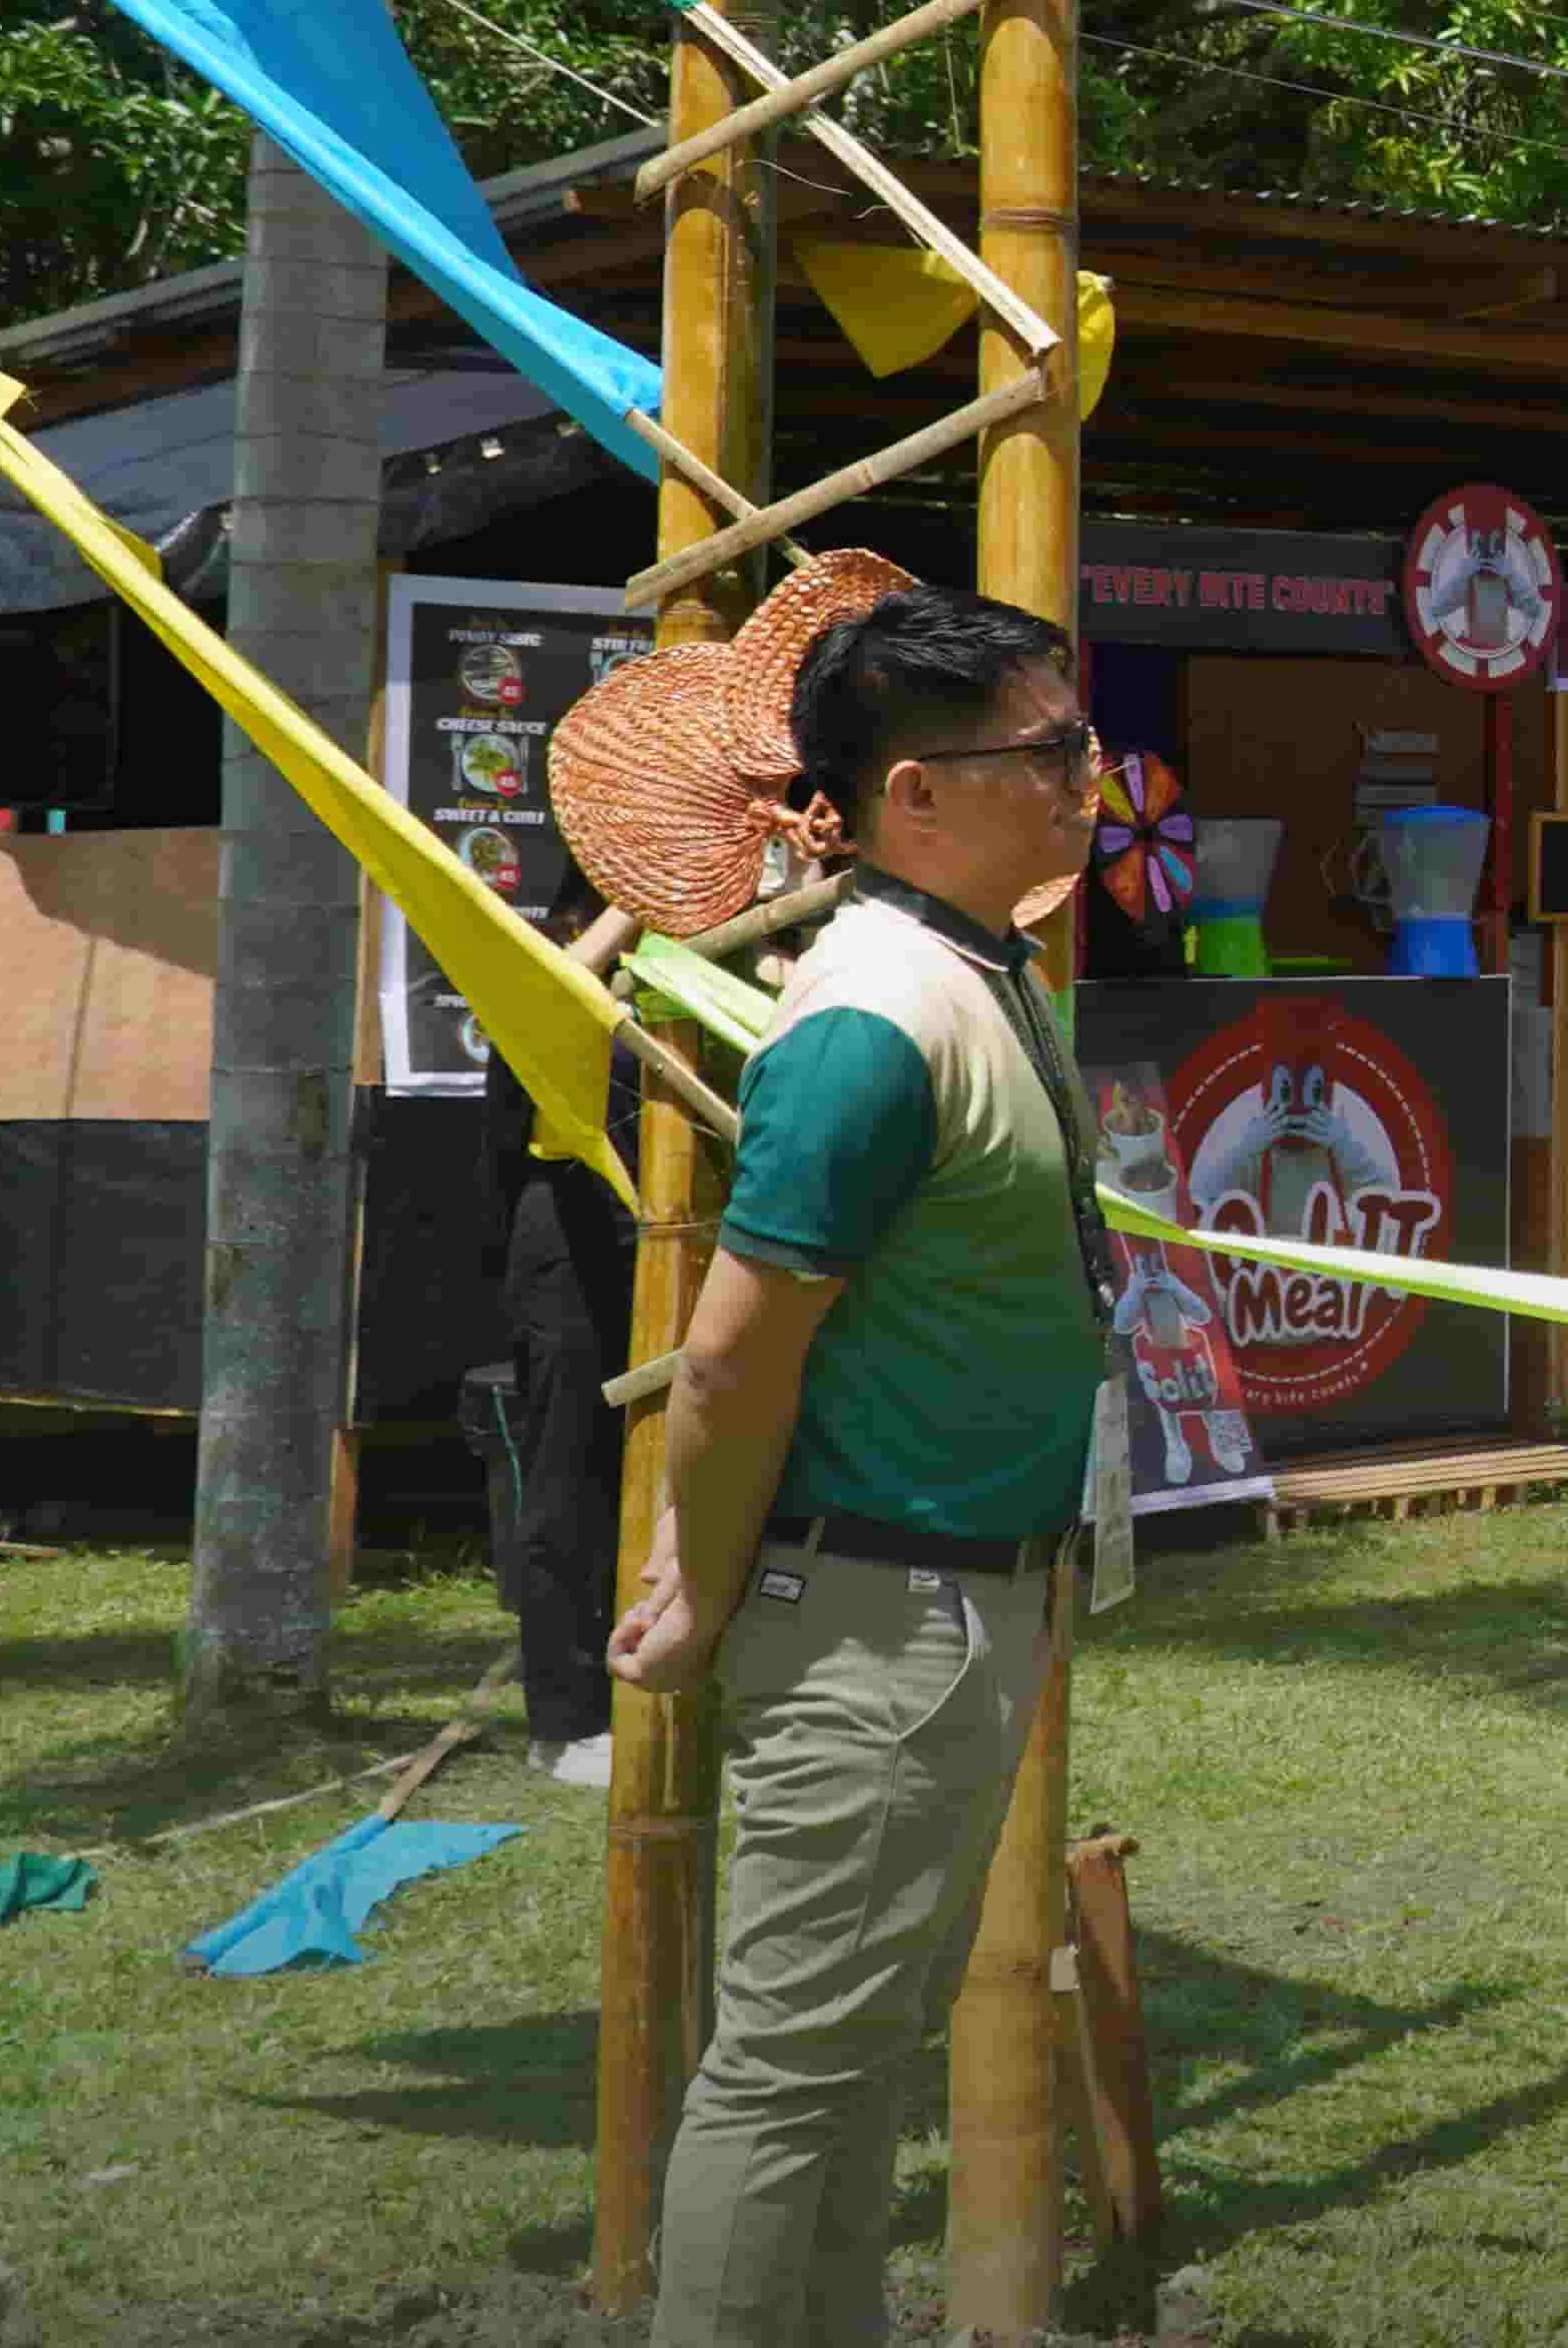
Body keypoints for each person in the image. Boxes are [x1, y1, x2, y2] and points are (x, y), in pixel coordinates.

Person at [609, 585, 1116, 2348]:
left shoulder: (957, 975)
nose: (1084, 780)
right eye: (1046, 750)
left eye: (1078, 737)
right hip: (882, 1618)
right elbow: (737, 1352)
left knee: (833, 2071)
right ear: (914, 795)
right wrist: (699, 1581)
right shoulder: (877, 1018)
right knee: (791, 2073)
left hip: (939, 1611)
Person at [476, 970, 643, 1790]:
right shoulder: (549, 963)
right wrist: (628, 910)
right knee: (568, 1477)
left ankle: (661, 1691)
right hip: (571, 1230)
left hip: (678, 1217)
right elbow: (532, 997)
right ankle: (567, 1720)